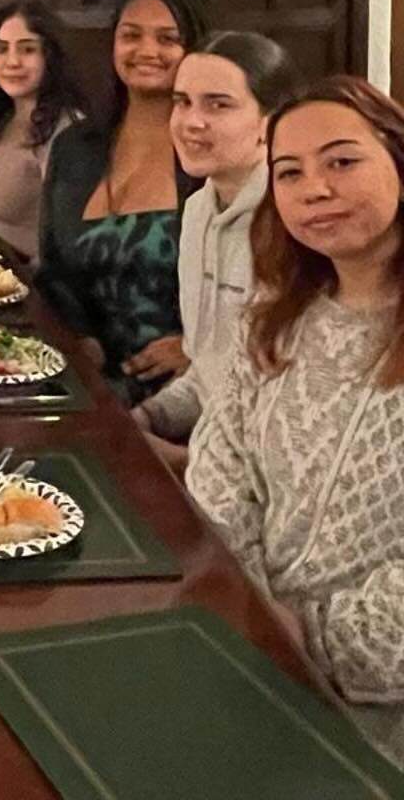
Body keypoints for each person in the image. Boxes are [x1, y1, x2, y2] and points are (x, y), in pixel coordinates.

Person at [189, 77, 404, 766]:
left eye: (342, 161)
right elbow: (219, 481)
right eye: (289, 172)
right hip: (254, 663)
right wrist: (255, 616)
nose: (314, 188)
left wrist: (303, 637)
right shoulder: (272, 322)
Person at [36, 0, 210, 403]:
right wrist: (78, 338)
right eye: (131, 36)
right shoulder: (75, 147)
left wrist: (199, 347)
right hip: (85, 384)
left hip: (195, 390)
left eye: (168, 39)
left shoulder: (211, 150)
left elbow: (261, 288)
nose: (147, 50)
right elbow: (54, 269)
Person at [134, 32, 301, 454]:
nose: (191, 121)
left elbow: (294, 420)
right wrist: (144, 419)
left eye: (218, 105)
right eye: (182, 101)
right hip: (207, 453)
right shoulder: (197, 212)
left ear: (272, 122)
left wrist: (180, 461)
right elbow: (208, 378)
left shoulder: (297, 228)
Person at [0, 2, 88, 262]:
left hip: (32, 284)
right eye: (1, 49)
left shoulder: (68, 130)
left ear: (51, 57)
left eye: (27, 49)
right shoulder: (5, 117)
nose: (12, 61)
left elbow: (66, 244)